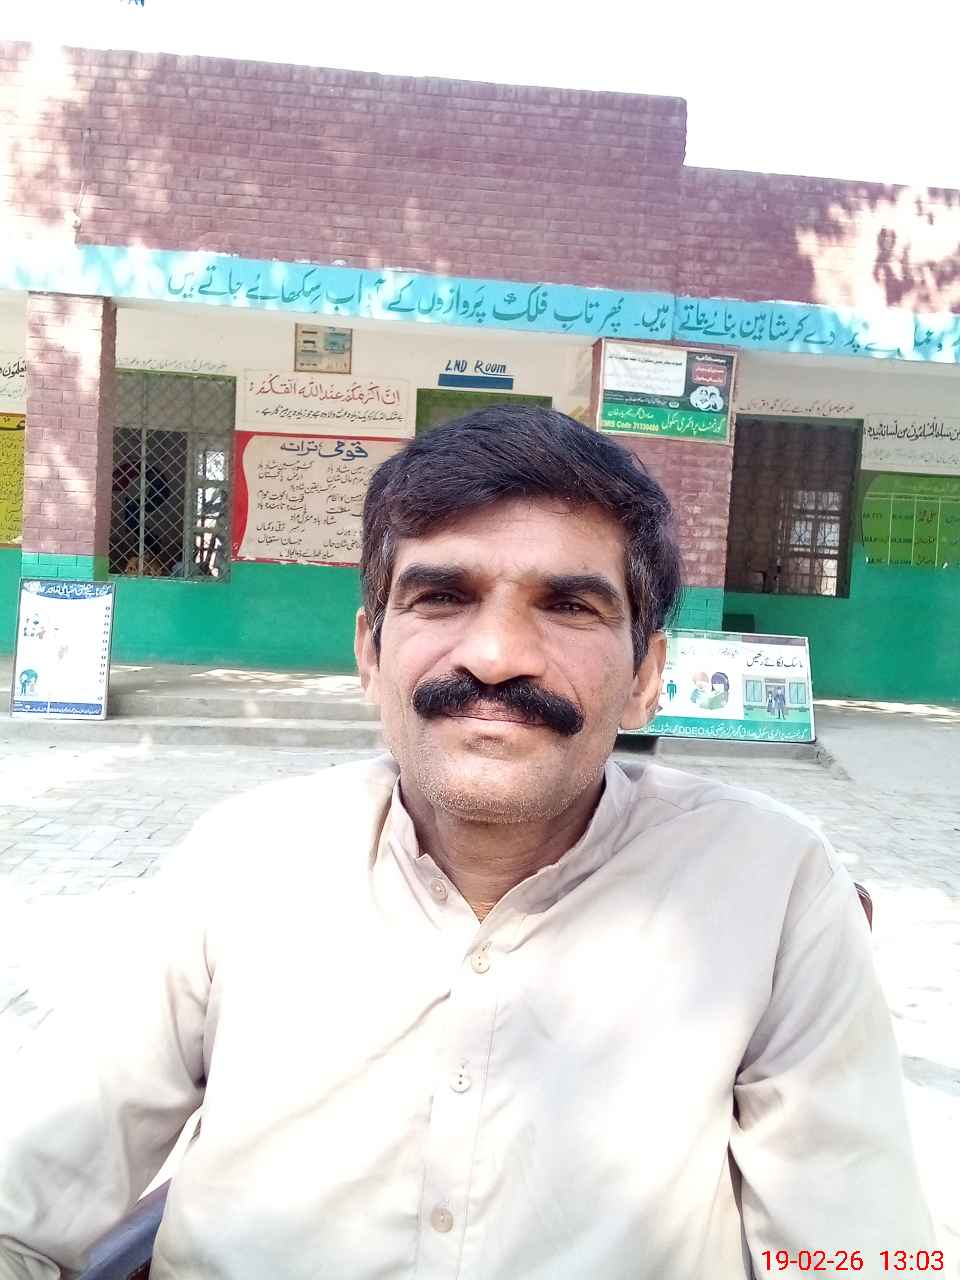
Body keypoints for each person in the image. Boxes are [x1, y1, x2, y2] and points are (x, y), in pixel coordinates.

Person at [0, 407, 933, 1279]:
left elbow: (856, 1252)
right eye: (442, 596)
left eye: (570, 607)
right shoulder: (242, 863)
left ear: (648, 677)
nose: (495, 656)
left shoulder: (772, 888)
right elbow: (24, 1205)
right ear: (369, 654)